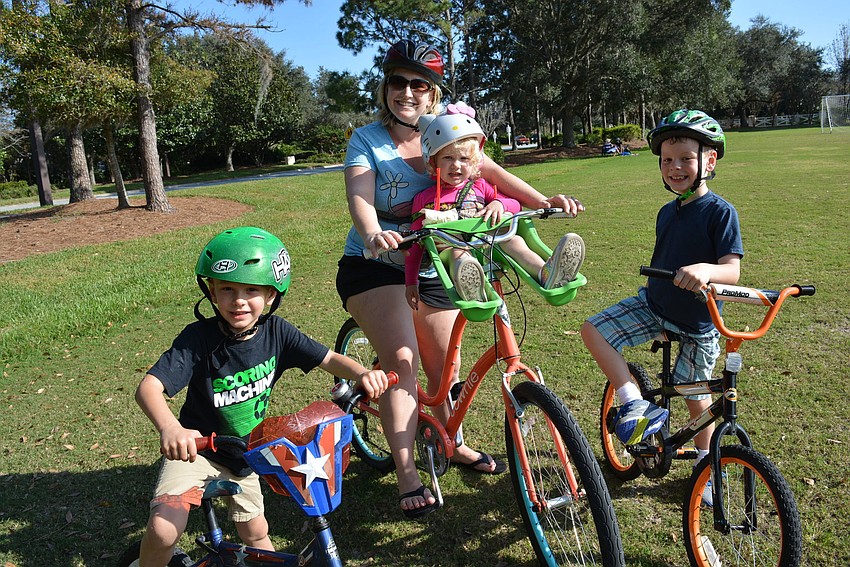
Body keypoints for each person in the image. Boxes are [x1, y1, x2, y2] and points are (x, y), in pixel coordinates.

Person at [336, 38, 584, 518]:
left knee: (445, 368)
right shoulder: (367, 140)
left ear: (432, 94)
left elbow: (494, 175)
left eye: (419, 85)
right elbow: (360, 197)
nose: (407, 92)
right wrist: (373, 234)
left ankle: (453, 442)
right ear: (386, 87)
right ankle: (408, 474)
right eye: (398, 82)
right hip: (380, 265)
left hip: (442, 261)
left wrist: (544, 201)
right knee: (403, 363)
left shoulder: (449, 133)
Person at [135, 227, 390, 566]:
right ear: (211, 290)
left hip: (248, 456)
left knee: (256, 534)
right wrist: (171, 428)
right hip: (197, 451)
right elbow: (149, 388)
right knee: (164, 531)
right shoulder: (197, 339)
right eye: (227, 289)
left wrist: (362, 373)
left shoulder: (277, 333)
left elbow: (328, 358)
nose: (238, 300)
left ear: (271, 295)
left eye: (251, 290)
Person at [580, 109, 742, 505]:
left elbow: (732, 271)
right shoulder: (666, 212)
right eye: (667, 160)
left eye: (685, 158)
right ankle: (632, 400)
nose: (674, 168)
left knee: (695, 395)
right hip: (653, 305)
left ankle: (707, 464)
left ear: (709, 161)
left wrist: (706, 270)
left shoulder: (721, 212)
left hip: (699, 323)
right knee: (593, 329)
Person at [404, 102, 585, 306]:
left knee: (514, 241)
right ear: (433, 161)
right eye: (448, 158)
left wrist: (499, 204)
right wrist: (411, 281)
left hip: (487, 243)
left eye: (464, 158)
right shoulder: (424, 198)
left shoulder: (480, 186)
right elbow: (414, 243)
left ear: (474, 162)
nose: (456, 165)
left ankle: (546, 274)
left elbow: (514, 204)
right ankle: (471, 286)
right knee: (459, 255)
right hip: (451, 248)